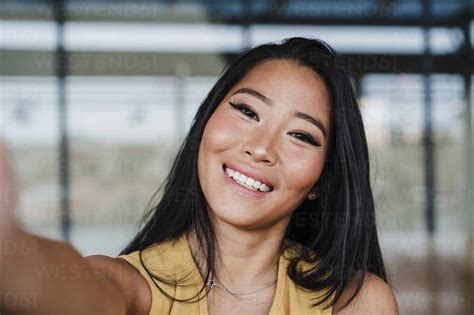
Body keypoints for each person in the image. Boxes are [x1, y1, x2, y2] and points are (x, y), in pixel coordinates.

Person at [0, 37, 399, 314]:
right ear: (204, 125)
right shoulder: (133, 288)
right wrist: (8, 243)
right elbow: (74, 292)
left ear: (322, 181)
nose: (260, 147)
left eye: (300, 135)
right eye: (247, 111)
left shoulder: (357, 303)